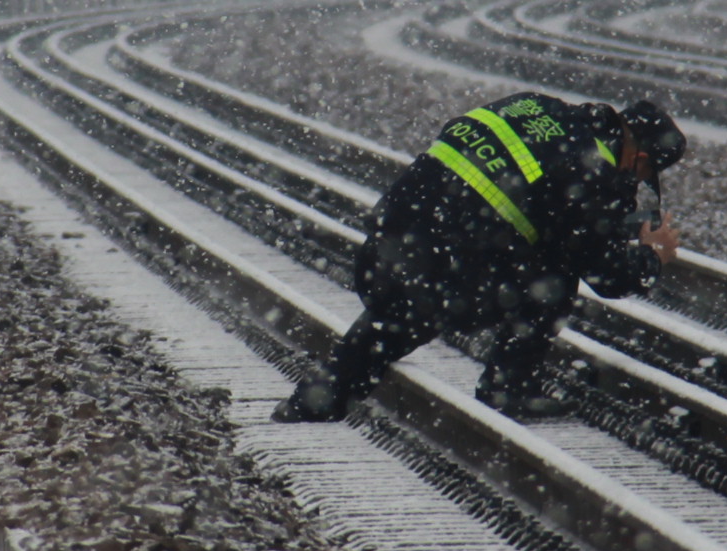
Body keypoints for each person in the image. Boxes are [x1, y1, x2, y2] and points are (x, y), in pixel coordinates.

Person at [276, 91, 686, 423]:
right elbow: (607, 275)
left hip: (384, 247)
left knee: (399, 315)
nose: (636, 183)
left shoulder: (538, 107)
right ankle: (509, 389)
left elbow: (538, 187)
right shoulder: (595, 173)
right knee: (557, 277)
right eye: (642, 177)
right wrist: (653, 256)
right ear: (641, 159)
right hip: (447, 269)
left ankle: (312, 402)